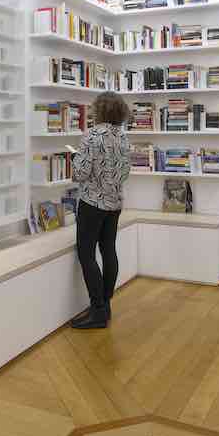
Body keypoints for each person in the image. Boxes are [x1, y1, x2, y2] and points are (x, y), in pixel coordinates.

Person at [69, 90, 132, 330]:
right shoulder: (123, 137)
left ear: (99, 110)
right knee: (108, 250)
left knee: (86, 254)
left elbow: (80, 173)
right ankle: (105, 304)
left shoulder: (92, 136)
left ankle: (97, 310)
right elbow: (125, 172)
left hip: (92, 203)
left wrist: (74, 159)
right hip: (114, 203)